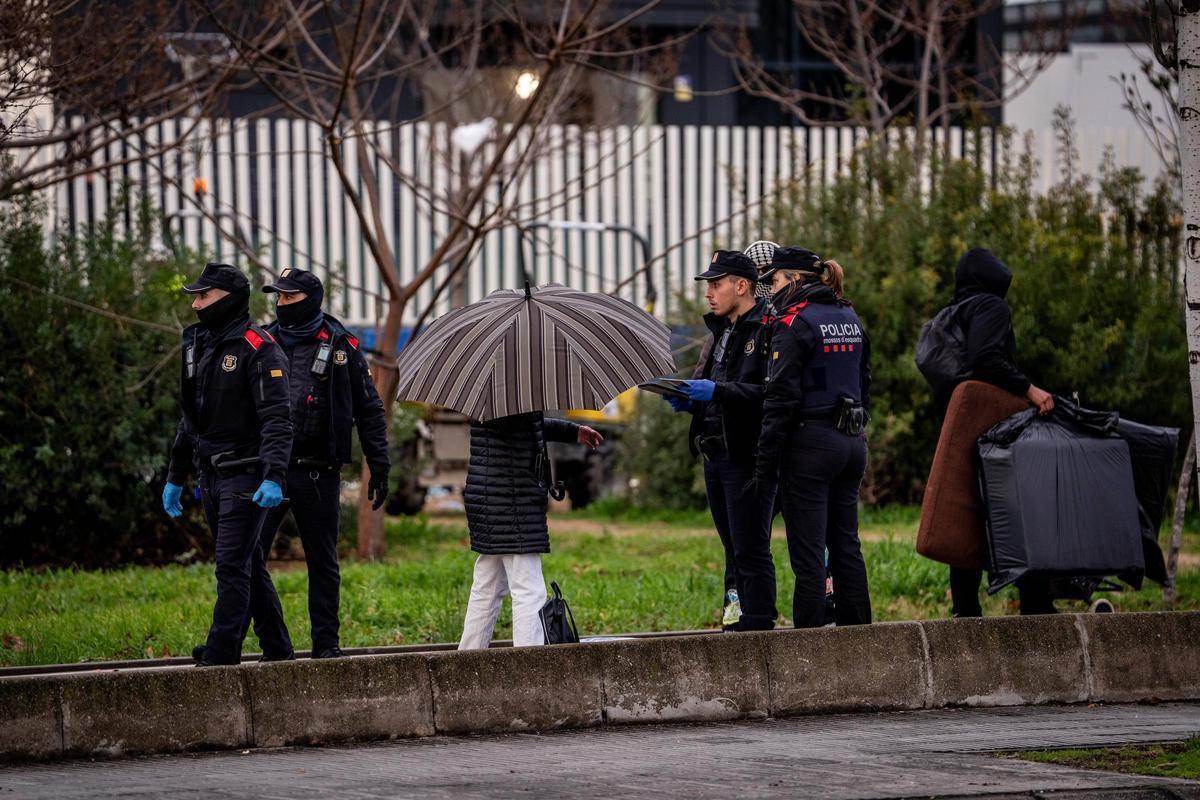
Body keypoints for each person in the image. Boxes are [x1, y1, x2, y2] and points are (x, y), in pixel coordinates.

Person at [162, 262, 295, 666]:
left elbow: (277, 417)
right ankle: (277, 647)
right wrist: (175, 474)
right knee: (249, 565)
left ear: (230, 299)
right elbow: (190, 418)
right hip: (211, 476)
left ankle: (223, 652)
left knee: (231, 567)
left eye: (204, 296)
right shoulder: (195, 345)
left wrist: (274, 475)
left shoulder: (258, 347)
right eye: (195, 297)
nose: (196, 304)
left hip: (246, 474)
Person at [257, 267, 391, 658]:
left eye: (290, 298)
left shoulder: (341, 345)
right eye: (278, 298)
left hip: (317, 471)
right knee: (247, 558)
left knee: (322, 561)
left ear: (311, 301)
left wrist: (378, 465)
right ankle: (274, 644)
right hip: (269, 470)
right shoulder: (261, 341)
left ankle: (326, 645)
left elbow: (368, 409)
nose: (282, 304)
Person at [753, 246, 872, 629]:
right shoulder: (848, 315)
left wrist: (765, 464)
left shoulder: (795, 323)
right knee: (846, 548)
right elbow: (864, 382)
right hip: (851, 443)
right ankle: (861, 639)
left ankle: (808, 655)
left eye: (773, 280)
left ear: (793, 279)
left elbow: (780, 398)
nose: (770, 289)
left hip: (809, 446)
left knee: (808, 556)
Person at [933, 248, 1056, 617]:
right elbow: (987, 357)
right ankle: (1036, 604)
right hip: (994, 430)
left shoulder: (952, 314)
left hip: (960, 428)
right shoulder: (990, 307)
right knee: (1020, 511)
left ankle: (966, 610)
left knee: (966, 514)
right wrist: (1030, 389)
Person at [666, 250, 777, 631]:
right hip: (714, 452)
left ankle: (760, 622)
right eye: (708, 285)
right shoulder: (719, 331)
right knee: (732, 547)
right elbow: (712, 387)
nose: (709, 293)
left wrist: (715, 392)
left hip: (746, 454)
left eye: (716, 284)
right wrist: (687, 400)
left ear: (741, 286)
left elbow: (768, 394)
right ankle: (739, 616)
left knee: (750, 547)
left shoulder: (767, 328)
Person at [458, 412, 603, 649]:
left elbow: (528, 425)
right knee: (529, 591)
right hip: (512, 501)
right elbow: (522, 423)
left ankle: (464, 663)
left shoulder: (493, 400)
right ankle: (530, 665)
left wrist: (571, 431)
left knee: (488, 587)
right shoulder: (508, 393)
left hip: (490, 496)